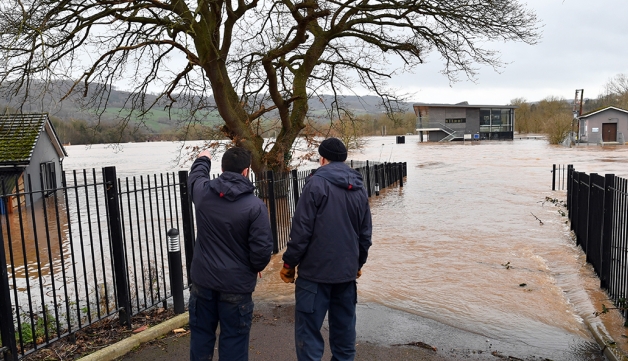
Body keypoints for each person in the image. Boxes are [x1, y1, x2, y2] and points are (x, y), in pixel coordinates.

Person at [280, 137, 372, 361]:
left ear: (322, 158)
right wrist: (357, 263)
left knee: (309, 338)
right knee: (344, 338)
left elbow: (301, 231)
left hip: (314, 275)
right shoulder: (359, 188)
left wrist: (289, 263)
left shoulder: (315, 184)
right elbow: (365, 234)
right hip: (346, 276)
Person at [188, 147, 273, 361]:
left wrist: (203, 158)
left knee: (201, 338)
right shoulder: (255, 206)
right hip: (236, 286)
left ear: (222, 168)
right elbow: (262, 250)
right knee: (234, 341)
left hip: (203, 282)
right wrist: (254, 267)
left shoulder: (204, 193)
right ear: (246, 172)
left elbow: (195, 177)